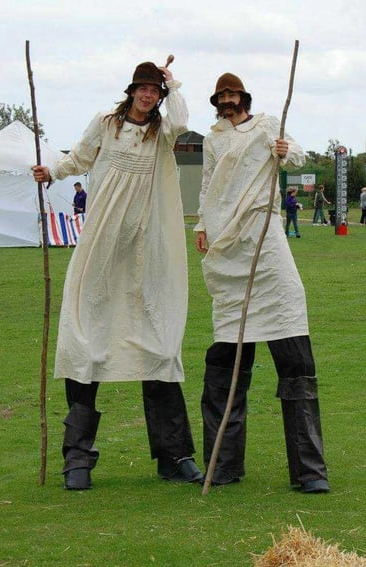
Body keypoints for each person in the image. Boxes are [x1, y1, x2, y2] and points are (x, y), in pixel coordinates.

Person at [33, 60, 203, 490]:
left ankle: (174, 455)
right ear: (131, 91)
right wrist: (51, 172)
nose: (148, 96)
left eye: (154, 91)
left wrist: (172, 83)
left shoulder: (160, 132)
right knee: (86, 345)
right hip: (101, 248)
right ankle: (77, 460)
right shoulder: (106, 124)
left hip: (146, 253)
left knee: (161, 348)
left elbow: (182, 119)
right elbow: (78, 157)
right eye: (143, 88)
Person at [194, 72, 329, 493]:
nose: (227, 102)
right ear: (217, 102)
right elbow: (207, 186)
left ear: (244, 98)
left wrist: (285, 151)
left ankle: (309, 472)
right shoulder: (212, 139)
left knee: (294, 354)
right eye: (222, 97)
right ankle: (224, 465)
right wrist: (202, 223)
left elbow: (298, 157)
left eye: (232, 95)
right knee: (226, 359)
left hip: (265, 239)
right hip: (228, 243)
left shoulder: (267, 124)